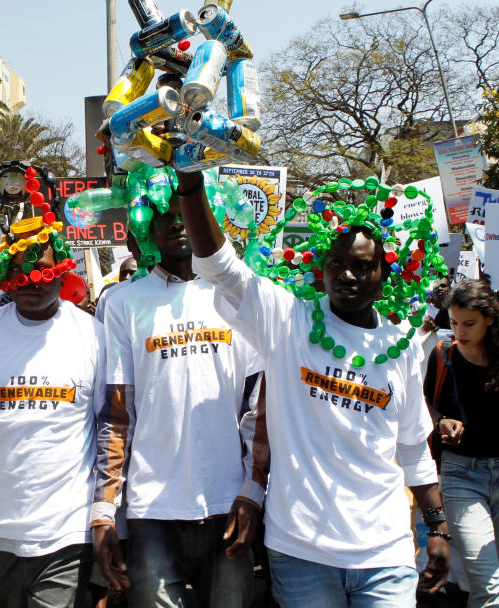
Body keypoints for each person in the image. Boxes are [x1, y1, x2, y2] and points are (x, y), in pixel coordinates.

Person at [175, 169, 450, 606]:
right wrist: (189, 183)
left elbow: (414, 449)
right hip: (301, 552)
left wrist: (436, 528)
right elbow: (218, 265)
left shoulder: (398, 348)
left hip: (385, 553)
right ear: (321, 268)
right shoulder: (287, 320)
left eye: (362, 266)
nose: (347, 276)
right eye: (337, 264)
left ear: (384, 273)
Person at [92, 190, 266, 608]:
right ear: (143, 227)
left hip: (230, 504)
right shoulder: (122, 303)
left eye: (185, 212)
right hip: (151, 510)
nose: (175, 222)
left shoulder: (242, 295)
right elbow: (117, 416)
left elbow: (259, 410)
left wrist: (253, 490)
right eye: (161, 215)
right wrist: (104, 509)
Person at [0, 215, 102, 608]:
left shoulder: (95, 337)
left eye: (41, 269)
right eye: (18, 270)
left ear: (63, 272)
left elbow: (112, 434)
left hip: (68, 535)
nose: (29, 279)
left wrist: (109, 521)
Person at [425, 279, 499, 607]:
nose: (459, 331)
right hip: (461, 476)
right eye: (454, 323)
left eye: (468, 323)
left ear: (490, 319)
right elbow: (425, 406)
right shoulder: (443, 354)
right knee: (488, 584)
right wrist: (441, 420)